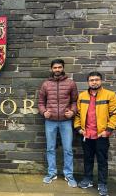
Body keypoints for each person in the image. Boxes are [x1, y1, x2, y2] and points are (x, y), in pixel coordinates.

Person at [75, 71, 116, 196]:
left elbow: (115, 115)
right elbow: (78, 114)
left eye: (96, 79)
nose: (94, 82)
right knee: (87, 159)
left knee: (102, 160)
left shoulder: (109, 95)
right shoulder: (82, 96)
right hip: (86, 135)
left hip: (101, 135)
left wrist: (108, 131)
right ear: (88, 82)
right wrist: (79, 128)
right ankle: (88, 180)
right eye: (91, 80)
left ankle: (102, 184)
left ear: (101, 81)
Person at [38, 59, 78, 187]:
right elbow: (40, 102)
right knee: (50, 148)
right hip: (50, 121)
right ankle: (51, 173)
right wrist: (44, 112)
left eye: (59, 67)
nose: (57, 70)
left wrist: (72, 112)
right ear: (51, 69)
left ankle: (69, 175)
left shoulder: (71, 83)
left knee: (68, 149)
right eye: (55, 68)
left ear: (63, 68)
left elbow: (75, 101)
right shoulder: (45, 85)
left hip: (66, 122)